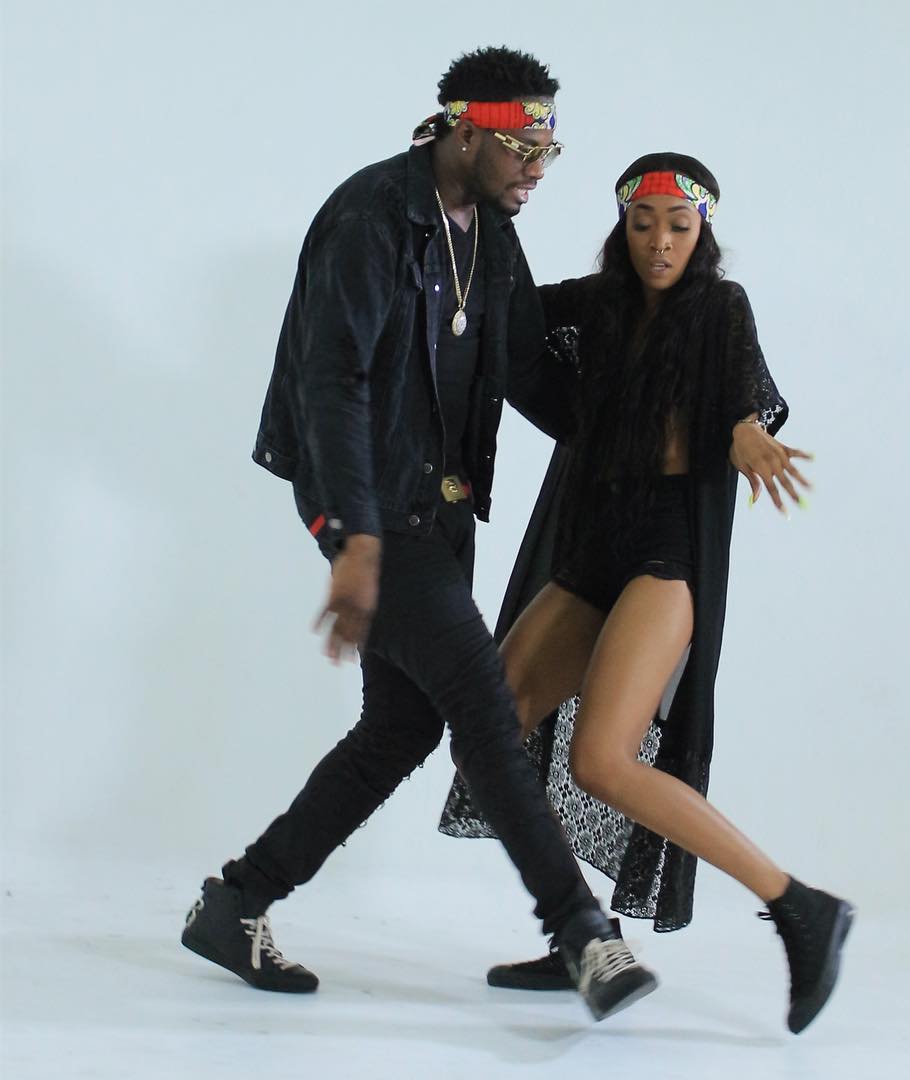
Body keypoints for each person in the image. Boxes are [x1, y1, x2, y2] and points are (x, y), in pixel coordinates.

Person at [180, 47, 658, 1023]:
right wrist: (353, 538)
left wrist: (640, 444)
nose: (538, 169)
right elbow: (333, 384)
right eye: (524, 148)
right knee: (484, 706)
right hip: (373, 511)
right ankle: (584, 935)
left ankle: (236, 902)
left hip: (438, 513)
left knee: (401, 727)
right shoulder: (371, 217)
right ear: (467, 131)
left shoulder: (491, 234)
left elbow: (524, 367)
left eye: (550, 151)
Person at [440, 153, 853, 1034]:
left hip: (667, 554)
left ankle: (799, 905)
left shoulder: (719, 308)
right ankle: (584, 932)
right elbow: (508, 317)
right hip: (596, 544)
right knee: (487, 728)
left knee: (601, 760)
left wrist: (746, 431)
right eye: (642, 224)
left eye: (677, 225)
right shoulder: (595, 305)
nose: (659, 242)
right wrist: (472, 211)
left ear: (702, 232)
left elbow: (741, 398)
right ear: (621, 228)